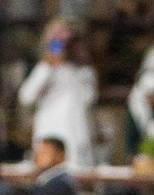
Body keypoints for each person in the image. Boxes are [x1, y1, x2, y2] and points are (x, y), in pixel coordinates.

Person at [17, 20, 97, 170]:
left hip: (75, 138)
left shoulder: (84, 73)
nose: (62, 47)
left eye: (67, 42)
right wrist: (48, 66)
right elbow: (26, 97)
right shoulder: (43, 69)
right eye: (57, 42)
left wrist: (64, 65)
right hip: (49, 136)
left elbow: (88, 98)